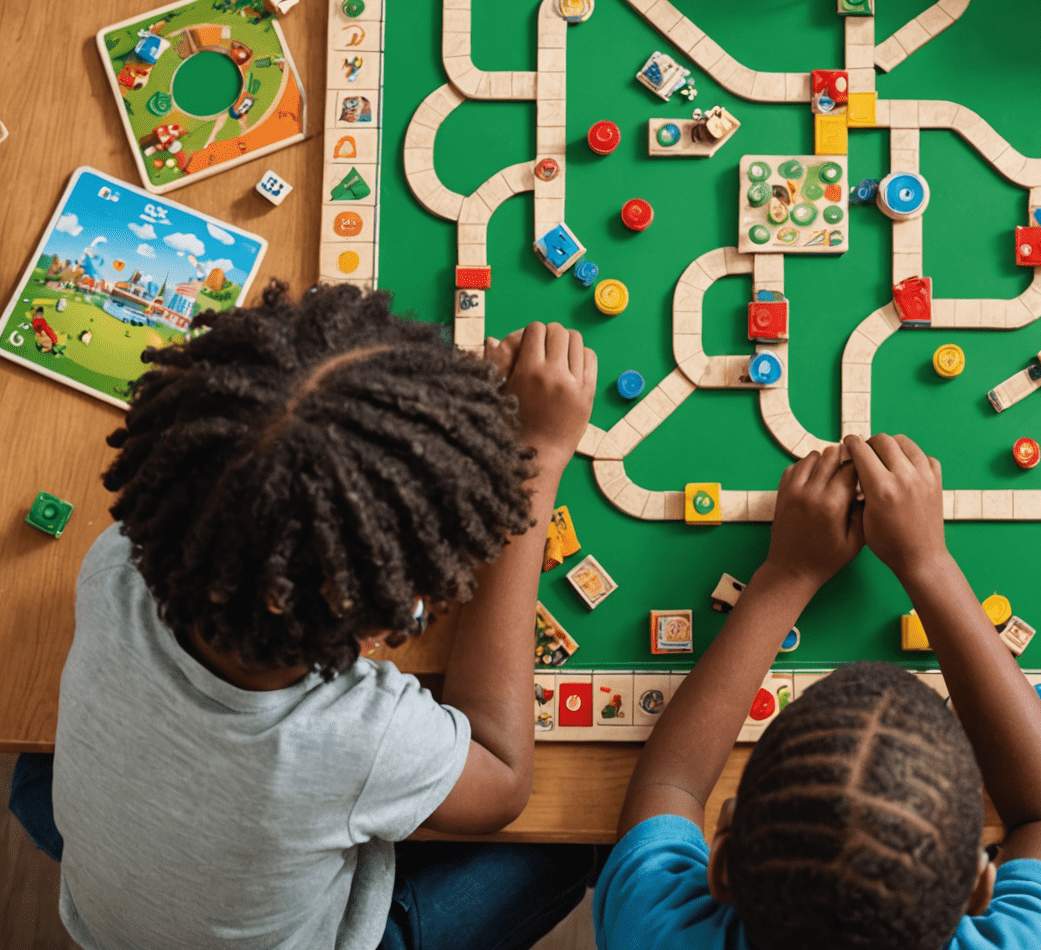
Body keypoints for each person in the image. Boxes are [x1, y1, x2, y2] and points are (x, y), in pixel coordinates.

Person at [8, 282, 600, 950]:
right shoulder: (361, 735)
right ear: (381, 631)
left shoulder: (116, 560)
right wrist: (535, 460)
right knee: (569, 845)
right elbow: (502, 779)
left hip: (108, 911)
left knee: (34, 765)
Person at [595, 433, 1041, 950]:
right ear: (978, 886)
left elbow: (672, 782)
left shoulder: (654, 934)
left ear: (723, 863)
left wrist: (789, 572)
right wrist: (927, 562)